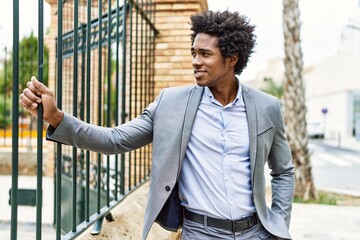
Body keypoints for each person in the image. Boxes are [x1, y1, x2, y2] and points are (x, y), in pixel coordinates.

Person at [20, 10, 294, 240]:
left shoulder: (266, 107)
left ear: (232, 58)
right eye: (193, 53)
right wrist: (56, 117)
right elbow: (115, 139)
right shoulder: (172, 103)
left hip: (255, 232)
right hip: (199, 233)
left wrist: (278, 223)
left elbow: (283, 171)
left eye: (205, 54)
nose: (195, 62)